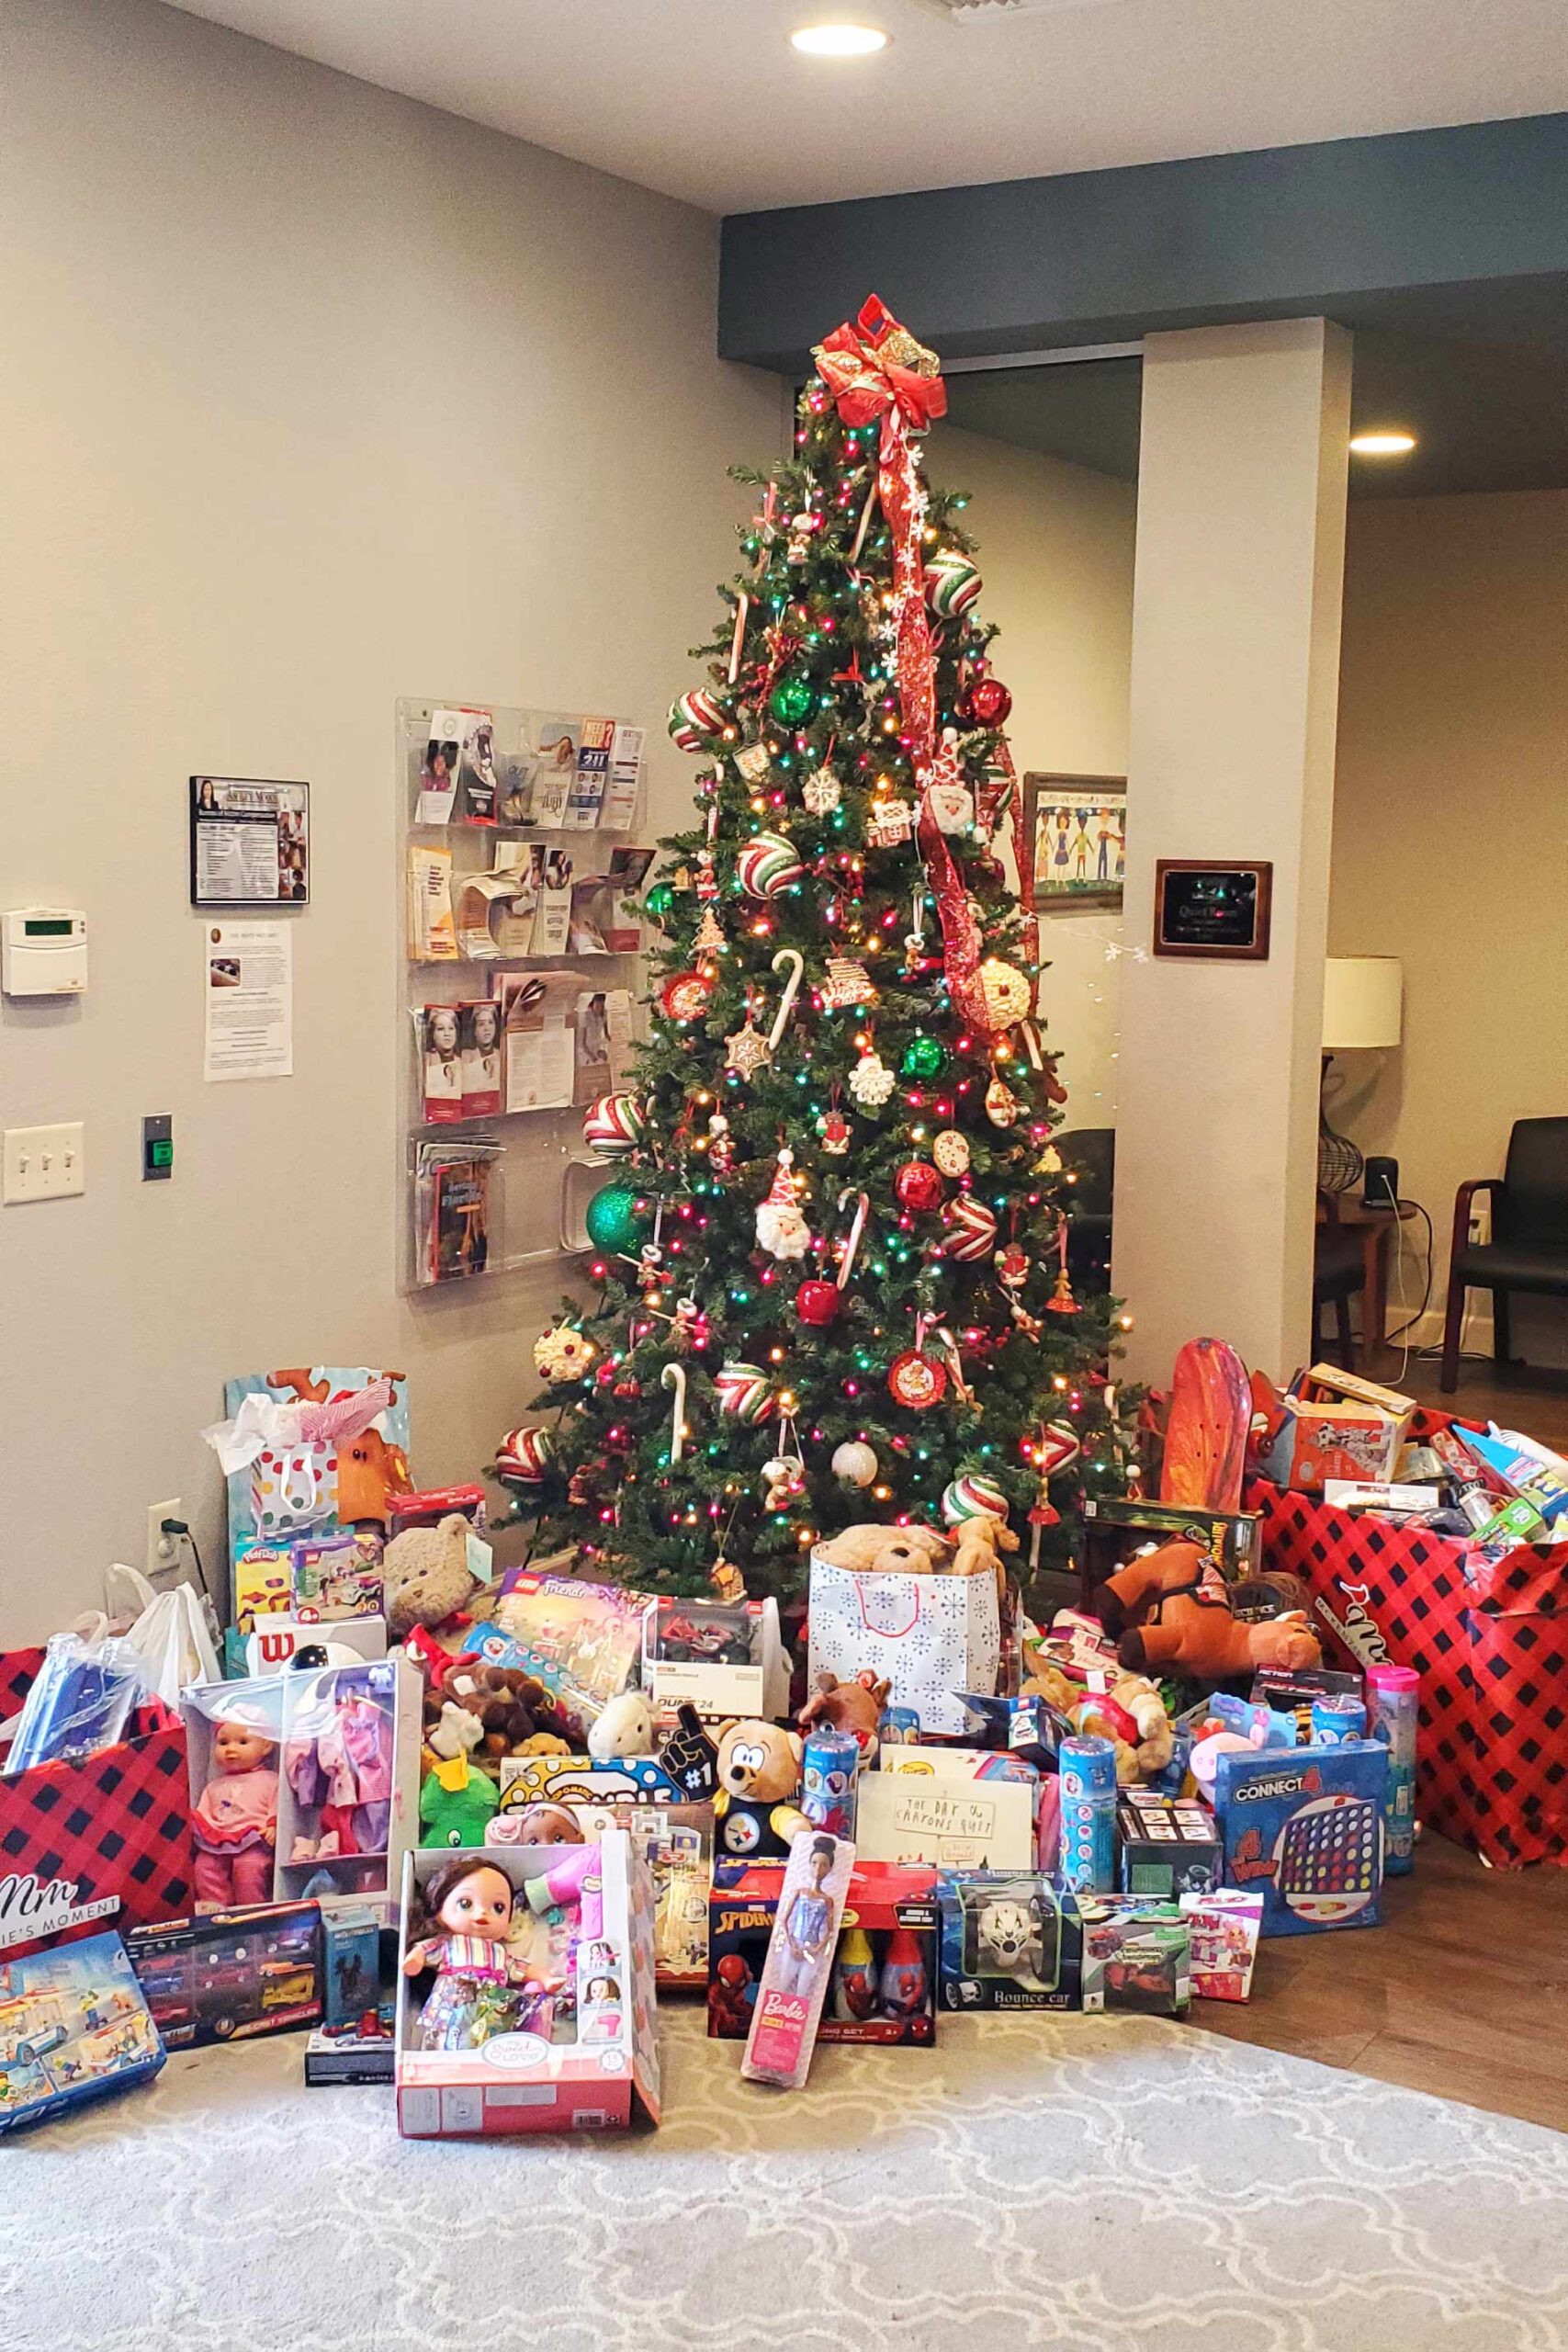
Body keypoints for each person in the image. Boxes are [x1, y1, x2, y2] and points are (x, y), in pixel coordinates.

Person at [773, 1836, 839, 2000]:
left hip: (813, 1949)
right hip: (794, 1943)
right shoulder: (799, 1893)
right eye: (815, 1863)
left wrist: (817, 1949)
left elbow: (829, 1931)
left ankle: (798, 2020)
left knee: (803, 1991)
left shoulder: (827, 1900)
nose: (818, 1868)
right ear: (809, 1864)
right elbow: (784, 1919)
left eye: (824, 1865)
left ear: (830, 1868)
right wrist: (791, 1943)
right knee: (782, 1985)